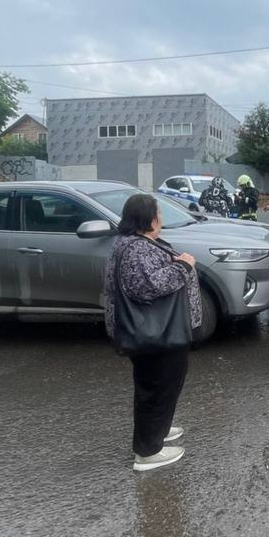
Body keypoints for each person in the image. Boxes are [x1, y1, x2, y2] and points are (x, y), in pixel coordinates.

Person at [103, 193, 202, 472]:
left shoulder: (135, 242)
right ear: (147, 218)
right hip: (155, 334)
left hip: (157, 332)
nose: (161, 217)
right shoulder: (136, 248)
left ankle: (159, 430)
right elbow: (148, 286)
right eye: (158, 213)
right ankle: (148, 452)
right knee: (158, 387)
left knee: (160, 385)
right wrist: (183, 265)